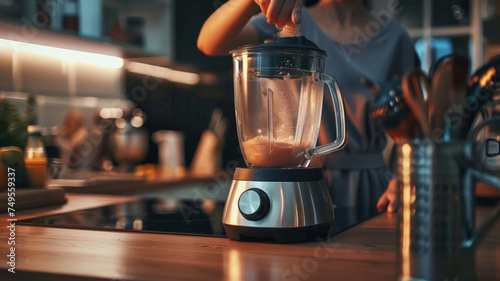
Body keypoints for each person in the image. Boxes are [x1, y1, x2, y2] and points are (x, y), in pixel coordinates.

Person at [197, 0, 418, 212]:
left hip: (372, 188)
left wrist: (403, 176)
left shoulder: (395, 38)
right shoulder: (288, 21)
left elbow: (413, 125)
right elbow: (209, 42)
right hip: (296, 180)